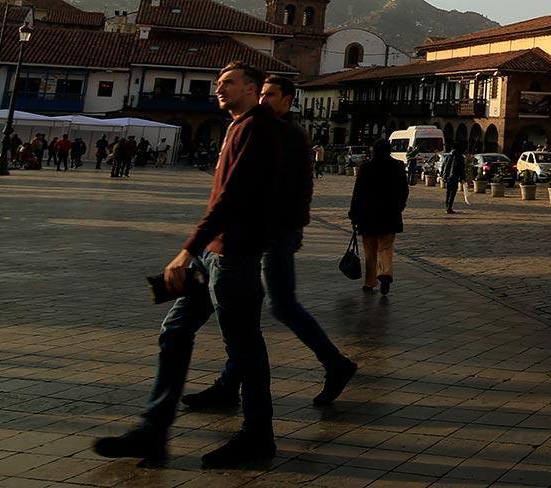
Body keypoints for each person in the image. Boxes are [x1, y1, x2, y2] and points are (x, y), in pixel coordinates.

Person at [91, 63, 286, 469]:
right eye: (218, 83)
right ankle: (153, 431)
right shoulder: (239, 126)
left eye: (228, 83)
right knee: (176, 330)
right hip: (213, 254)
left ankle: (257, 436)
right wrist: (199, 250)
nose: (219, 89)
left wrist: (186, 251)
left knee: (244, 346)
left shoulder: (256, 129)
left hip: (235, 256)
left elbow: (231, 199)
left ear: (251, 89)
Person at [185, 78, 357, 414]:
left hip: (273, 234)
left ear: (288, 100)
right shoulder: (265, 129)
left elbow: (297, 188)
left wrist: (291, 230)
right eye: (262, 93)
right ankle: (229, 385)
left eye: (271, 95)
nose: (263, 99)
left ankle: (335, 363)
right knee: (249, 314)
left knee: (279, 306)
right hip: (260, 234)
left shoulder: (286, 134)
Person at [349, 138, 409, 295]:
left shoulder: (366, 167)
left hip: (368, 215)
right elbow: (404, 190)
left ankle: (370, 281)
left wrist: (353, 213)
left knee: (370, 250)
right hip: (390, 214)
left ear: (374, 150)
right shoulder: (398, 166)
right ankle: (386, 273)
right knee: (385, 247)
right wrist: (399, 207)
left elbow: (358, 193)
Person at [439, 143, 467, 214]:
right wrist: (462, 178)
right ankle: (449, 207)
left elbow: (443, 166)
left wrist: (442, 175)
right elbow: (461, 168)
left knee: (448, 192)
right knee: (452, 192)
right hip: (454, 176)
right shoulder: (459, 156)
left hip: (447, 176)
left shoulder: (448, 156)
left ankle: (447, 206)